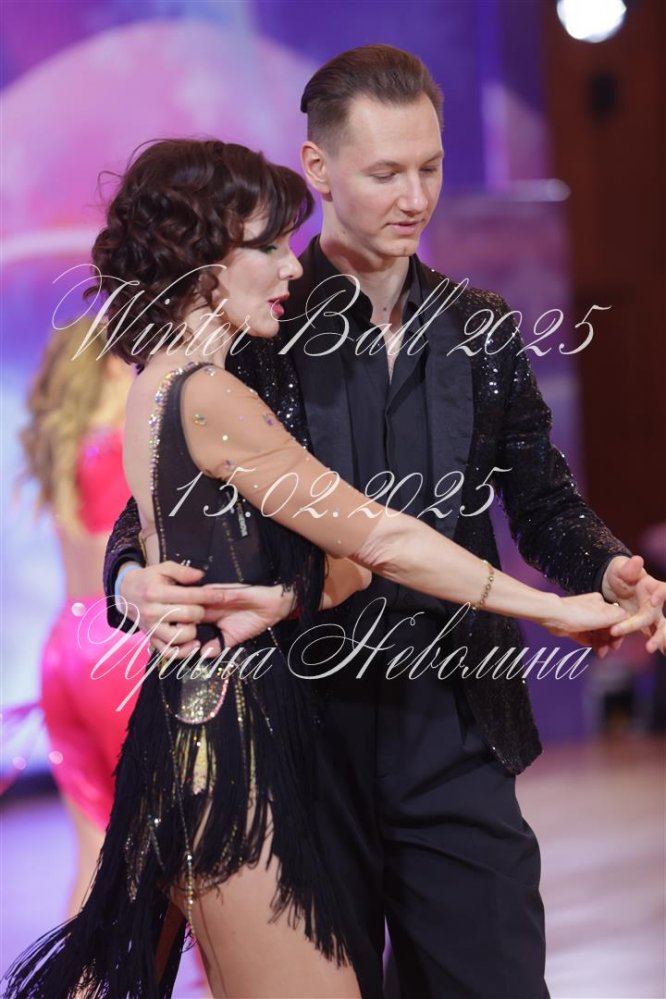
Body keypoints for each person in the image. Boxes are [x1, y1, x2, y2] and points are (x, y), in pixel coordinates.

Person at [3, 137, 632, 999]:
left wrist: (282, 589)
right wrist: (554, 609)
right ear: (205, 263)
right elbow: (383, 540)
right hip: (238, 743)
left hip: (209, 727)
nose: (289, 267)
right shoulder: (213, 396)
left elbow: (332, 560)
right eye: (266, 246)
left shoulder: (160, 380)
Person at [16, 319, 145, 916]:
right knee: (185, 855)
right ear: (113, 363)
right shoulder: (129, 432)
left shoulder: (65, 443)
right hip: (120, 644)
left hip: (64, 647)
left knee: (95, 856)